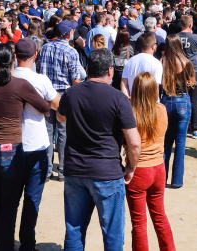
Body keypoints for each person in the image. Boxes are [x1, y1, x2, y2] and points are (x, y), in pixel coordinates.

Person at [58, 49, 141, 251]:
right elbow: (134, 143)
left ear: (87, 69)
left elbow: (61, 117)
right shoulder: (118, 99)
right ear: (110, 71)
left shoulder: (71, 93)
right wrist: (131, 167)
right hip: (107, 173)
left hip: (75, 171)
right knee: (112, 235)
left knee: (74, 231)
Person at [0, 44, 51, 251]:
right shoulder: (20, 85)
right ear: (13, 61)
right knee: (9, 207)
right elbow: (45, 107)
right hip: (9, 151)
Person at [12, 37, 61, 251]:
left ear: (15, 55)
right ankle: (27, 243)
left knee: (10, 198)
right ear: (35, 55)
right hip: (36, 144)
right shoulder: (41, 80)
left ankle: (4, 239)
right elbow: (58, 105)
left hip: (11, 144)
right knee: (32, 199)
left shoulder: (6, 77)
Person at [127, 72, 175, 251]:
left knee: (139, 223)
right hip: (158, 168)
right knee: (160, 216)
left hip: (139, 170)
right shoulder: (161, 109)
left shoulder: (131, 113)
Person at [40, 19, 82, 181]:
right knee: (64, 134)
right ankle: (63, 170)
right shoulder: (71, 52)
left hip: (46, 96)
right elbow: (76, 80)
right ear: (68, 34)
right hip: (64, 96)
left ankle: (47, 170)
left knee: (48, 133)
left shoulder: (45, 48)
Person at [160, 33, 196, 188]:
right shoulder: (186, 61)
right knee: (180, 143)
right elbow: (192, 82)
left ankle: (162, 178)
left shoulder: (162, 61)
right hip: (182, 100)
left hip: (167, 100)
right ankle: (177, 181)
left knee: (166, 143)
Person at [176, 14, 197, 138]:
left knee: (181, 96)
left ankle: (182, 125)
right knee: (194, 99)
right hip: (194, 69)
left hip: (178, 70)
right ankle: (196, 129)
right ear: (190, 25)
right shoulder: (196, 37)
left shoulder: (176, 37)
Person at [121, 33, 164, 97]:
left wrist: (128, 100)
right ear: (153, 46)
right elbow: (155, 87)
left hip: (133, 103)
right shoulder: (157, 64)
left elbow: (123, 84)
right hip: (150, 104)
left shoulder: (129, 61)